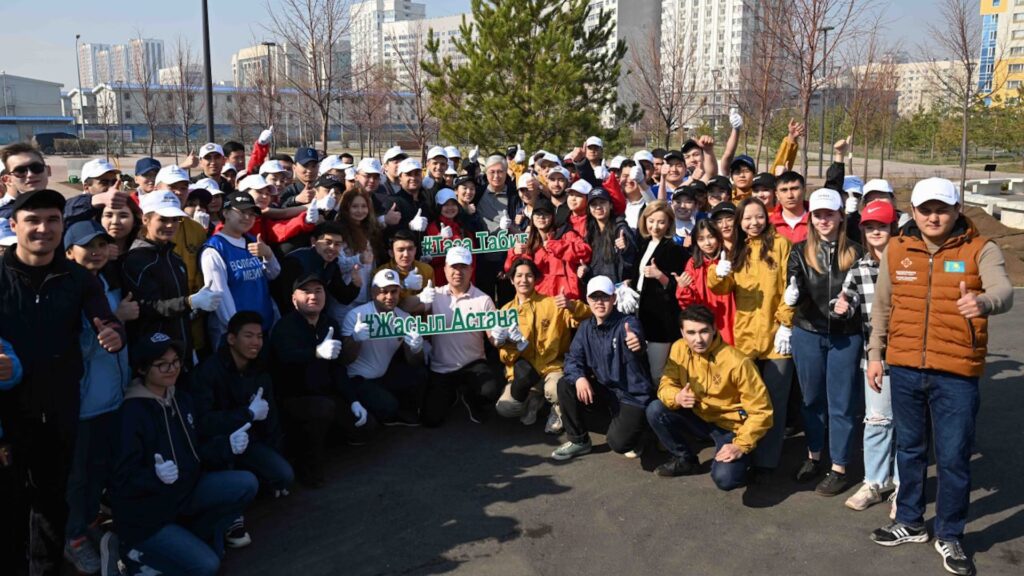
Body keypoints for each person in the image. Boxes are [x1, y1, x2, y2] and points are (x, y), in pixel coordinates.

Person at [867, 178, 1013, 576]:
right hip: (907, 367)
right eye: (925, 209)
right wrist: (875, 355)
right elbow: (882, 306)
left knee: (952, 457)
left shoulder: (981, 248)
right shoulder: (898, 248)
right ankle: (911, 522)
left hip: (956, 373)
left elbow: (1004, 290)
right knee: (910, 450)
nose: (934, 217)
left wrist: (982, 301)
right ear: (913, 212)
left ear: (957, 209)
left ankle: (950, 533)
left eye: (942, 209)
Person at [0, 189, 125, 574]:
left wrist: (112, 331)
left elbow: (104, 316)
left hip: (60, 406)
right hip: (8, 412)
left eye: (53, 220)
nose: (44, 229)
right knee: (9, 504)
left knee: (53, 500)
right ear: (13, 225)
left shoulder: (77, 278)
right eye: (33, 221)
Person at [109, 333, 258, 576]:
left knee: (246, 483)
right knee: (207, 566)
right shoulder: (131, 413)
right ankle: (133, 556)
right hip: (149, 516)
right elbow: (121, 480)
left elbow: (197, 452)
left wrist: (227, 446)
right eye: (162, 364)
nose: (172, 369)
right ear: (142, 369)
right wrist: (154, 476)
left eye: (176, 361)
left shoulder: (181, 398)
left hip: (185, 495)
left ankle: (194, 539)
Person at [61, 220, 133, 573]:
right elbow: (71, 350)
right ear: (68, 252)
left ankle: (88, 521)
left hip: (111, 397)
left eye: (102, 244)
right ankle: (72, 537)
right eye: (87, 246)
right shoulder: (67, 290)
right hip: (84, 403)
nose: (96, 251)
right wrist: (114, 321)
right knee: (77, 476)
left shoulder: (106, 281)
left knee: (99, 468)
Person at [708, 197, 794, 479]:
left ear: (767, 218)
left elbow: (789, 288)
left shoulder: (780, 244)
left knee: (775, 400)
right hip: (744, 337)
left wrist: (786, 323)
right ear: (739, 222)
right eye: (747, 218)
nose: (753, 223)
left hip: (776, 337)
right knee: (746, 400)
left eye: (758, 217)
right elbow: (722, 289)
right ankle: (743, 452)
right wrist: (716, 274)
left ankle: (767, 461)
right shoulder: (736, 249)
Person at [786, 188, 865, 494]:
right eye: (818, 215)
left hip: (845, 336)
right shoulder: (799, 250)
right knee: (811, 399)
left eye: (829, 214)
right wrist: (793, 294)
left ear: (840, 216)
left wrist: (851, 305)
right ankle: (814, 455)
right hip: (809, 331)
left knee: (842, 403)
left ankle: (840, 465)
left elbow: (862, 292)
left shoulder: (856, 252)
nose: (823, 220)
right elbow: (795, 283)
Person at [193, 311, 293, 545]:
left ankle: (255, 483)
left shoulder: (260, 371)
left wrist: (274, 454)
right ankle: (231, 516)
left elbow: (271, 421)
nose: (255, 342)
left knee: (283, 475)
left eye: (259, 336)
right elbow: (203, 422)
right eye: (248, 336)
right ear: (231, 338)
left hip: (250, 442)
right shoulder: (208, 371)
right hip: (217, 446)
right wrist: (245, 415)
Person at [646, 304, 773, 489]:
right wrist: (677, 397)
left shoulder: (738, 362)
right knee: (655, 409)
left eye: (704, 331)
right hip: (699, 416)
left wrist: (740, 445)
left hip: (730, 426)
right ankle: (685, 460)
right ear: (682, 332)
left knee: (726, 479)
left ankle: (745, 459)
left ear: (714, 328)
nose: (698, 339)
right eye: (691, 332)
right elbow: (667, 384)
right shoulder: (678, 348)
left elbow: (762, 412)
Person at [831, 200, 900, 512]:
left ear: (892, 228)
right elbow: (848, 297)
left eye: (881, 226)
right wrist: (840, 307)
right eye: (870, 227)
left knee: (907, 425)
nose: (875, 232)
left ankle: (902, 485)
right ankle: (874, 480)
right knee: (876, 420)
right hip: (875, 357)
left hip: (911, 355)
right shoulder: (860, 268)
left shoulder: (908, 263)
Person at [270, 275, 367, 487]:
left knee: (364, 427)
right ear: (294, 299)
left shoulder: (329, 323)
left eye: (318, 290)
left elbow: (338, 368)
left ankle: (327, 441)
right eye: (306, 292)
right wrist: (315, 352)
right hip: (293, 399)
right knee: (323, 409)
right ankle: (307, 466)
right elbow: (285, 357)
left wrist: (353, 400)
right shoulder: (284, 327)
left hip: (326, 394)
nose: (313, 296)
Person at [552, 276, 653, 460]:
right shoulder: (585, 327)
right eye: (594, 297)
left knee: (619, 444)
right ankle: (579, 441)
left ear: (614, 298)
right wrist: (579, 378)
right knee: (565, 384)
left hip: (632, 395)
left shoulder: (627, 323)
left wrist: (636, 343)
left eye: (604, 297)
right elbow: (573, 359)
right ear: (588, 300)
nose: (599, 302)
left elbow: (636, 338)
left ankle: (640, 431)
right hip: (606, 391)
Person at [123, 190, 222, 366]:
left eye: (175, 220)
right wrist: (190, 303)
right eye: (163, 219)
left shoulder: (174, 257)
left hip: (180, 349)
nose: (170, 225)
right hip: (155, 355)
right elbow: (148, 307)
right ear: (146, 219)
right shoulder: (137, 259)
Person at [495, 258, 591, 433]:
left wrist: (571, 305)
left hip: (552, 367)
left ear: (536, 279)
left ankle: (557, 408)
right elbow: (504, 357)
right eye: (519, 276)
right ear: (511, 279)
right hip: (525, 373)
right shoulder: (505, 312)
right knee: (505, 408)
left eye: (529, 276)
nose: (523, 280)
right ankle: (534, 397)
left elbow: (587, 317)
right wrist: (509, 344)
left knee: (556, 390)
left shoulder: (553, 304)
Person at [417, 246, 503, 426]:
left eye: (463, 267)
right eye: (454, 267)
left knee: (489, 391)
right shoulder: (434, 295)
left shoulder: (483, 299)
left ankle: (471, 397)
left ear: (471, 269)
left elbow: (493, 339)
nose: (458, 272)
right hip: (442, 367)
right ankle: (453, 395)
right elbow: (407, 307)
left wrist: (500, 338)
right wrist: (418, 299)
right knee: (430, 420)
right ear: (445, 269)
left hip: (474, 364)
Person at [340, 269, 427, 426]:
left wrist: (416, 348)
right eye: (383, 292)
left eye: (394, 291)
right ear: (373, 293)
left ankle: (395, 407)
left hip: (383, 374)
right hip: (357, 378)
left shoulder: (404, 318)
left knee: (420, 374)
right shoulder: (356, 315)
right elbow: (344, 359)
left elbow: (414, 361)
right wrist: (355, 338)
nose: (389, 297)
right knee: (388, 407)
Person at [201, 192, 280, 349]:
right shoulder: (215, 248)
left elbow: (273, 273)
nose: (247, 218)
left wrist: (268, 254)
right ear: (226, 213)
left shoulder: (252, 241)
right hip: (234, 336)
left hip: (261, 330)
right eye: (242, 212)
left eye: (251, 214)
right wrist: (238, 333)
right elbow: (220, 296)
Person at [633, 200, 687, 383]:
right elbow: (636, 275)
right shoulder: (643, 244)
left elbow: (677, 287)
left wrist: (659, 275)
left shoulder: (674, 249)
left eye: (661, 222)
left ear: (669, 224)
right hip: (640, 314)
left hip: (661, 321)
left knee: (657, 373)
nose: (655, 226)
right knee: (640, 368)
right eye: (651, 220)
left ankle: (662, 408)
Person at [504, 198, 591, 300]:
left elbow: (585, 252)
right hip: (539, 300)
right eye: (537, 213)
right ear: (532, 217)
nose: (541, 217)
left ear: (552, 217)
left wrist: (555, 246)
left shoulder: (566, 234)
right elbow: (510, 270)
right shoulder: (528, 241)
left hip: (566, 298)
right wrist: (514, 253)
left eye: (546, 213)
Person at [674, 219, 735, 345]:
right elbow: (688, 305)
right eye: (701, 239)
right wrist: (683, 288)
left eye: (711, 237)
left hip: (732, 318)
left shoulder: (730, 259)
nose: (707, 243)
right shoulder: (693, 263)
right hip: (705, 321)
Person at [581, 187, 637, 286]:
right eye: (594, 204)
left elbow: (631, 259)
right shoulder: (589, 231)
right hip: (595, 289)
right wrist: (584, 269)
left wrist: (626, 247)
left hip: (616, 290)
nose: (598, 207)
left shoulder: (620, 227)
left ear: (610, 205)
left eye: (602, 202)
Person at [425, 188, 474, 286]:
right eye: (446, 205)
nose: (450, 208)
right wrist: (441, 239)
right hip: (441, 281)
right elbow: (431, 260)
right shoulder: (433, 227)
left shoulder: (462, 226)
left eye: (453, 204)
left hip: (463, 280)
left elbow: (472, 256)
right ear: (439, 207)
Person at [64, 158, 130, 227]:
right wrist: (98, 199)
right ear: (86, 187)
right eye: (104, 183)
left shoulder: (120, 206)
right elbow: (66, 211)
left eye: (114, 182)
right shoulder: (76, 210)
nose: (111, 187)